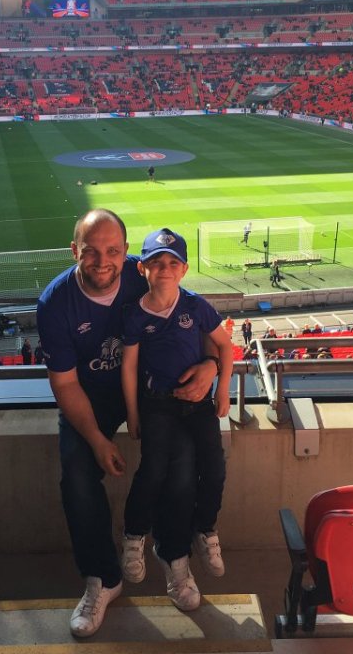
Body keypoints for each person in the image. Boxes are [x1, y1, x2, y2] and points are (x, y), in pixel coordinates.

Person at [36, 209, 217, 637]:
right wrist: (99, 440)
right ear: (74, 251)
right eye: (92, 252)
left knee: (182, 463)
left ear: (126, 251)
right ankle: (103, 577)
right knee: (77, 475)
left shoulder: (144, 271)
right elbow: (64, 385)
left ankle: (174, 556)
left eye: (113, 251)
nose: (103, 261)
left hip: (151, 390)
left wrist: (211, 363)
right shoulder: (55, 303)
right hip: (91, 397)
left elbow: (193, 316)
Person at [120, 229, 234, 610]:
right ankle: (136, 535)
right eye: (156, 262)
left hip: (197, 406)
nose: (164, 270)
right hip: (157, 404)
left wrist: (221, 387)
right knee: (154, 469)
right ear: (142, 269)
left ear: (184, 269)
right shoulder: (136, 314)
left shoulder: (194, 306)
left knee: (214, 467)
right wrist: (133, 412)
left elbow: (223, 345)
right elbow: (130, 366)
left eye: (172, 263)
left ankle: (206, 529)